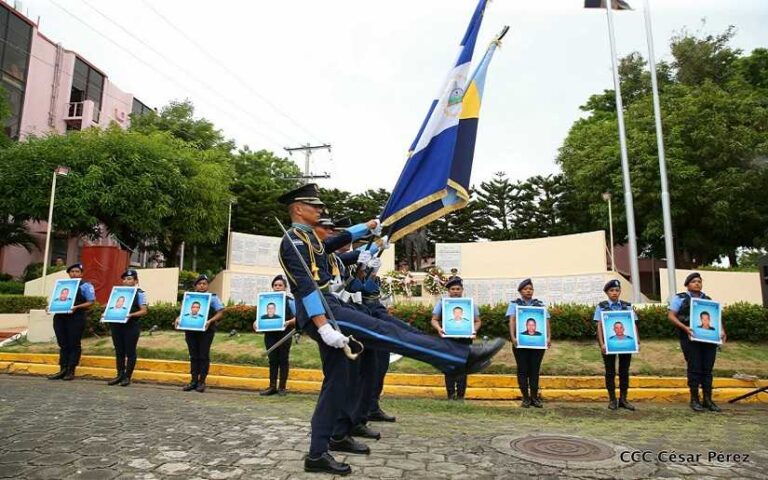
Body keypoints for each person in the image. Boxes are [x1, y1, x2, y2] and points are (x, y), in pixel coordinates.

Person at [277, 184, 505, 476]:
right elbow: (304, 285)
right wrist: (323, 327)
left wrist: (371, 227)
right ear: (298, 208)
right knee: (385, 333)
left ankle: (317, 453)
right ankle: (456, 359)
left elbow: (341, 240)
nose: (322, 211)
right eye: (315, 207)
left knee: (336, 384)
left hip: (329, 307)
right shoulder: (293, 240)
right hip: (325, 312)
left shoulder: (311, 239)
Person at [668, 272, 727, 413]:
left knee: (707, 369)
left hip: (708, 340)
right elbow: (671, 316)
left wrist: (722, 331)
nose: (697, 283)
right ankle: (694, 399)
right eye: (694, 281)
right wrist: (685, 328)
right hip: (689, 338)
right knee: (694, 368)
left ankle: (708, 399)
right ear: (687, 284)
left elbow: (716, 318)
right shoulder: (680, 298)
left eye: (699, 281)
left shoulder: (707, 299)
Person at [430, 276, 481, 401]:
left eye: (458, 289)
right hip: (448, 339)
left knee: (462, 367)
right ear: (449, 291)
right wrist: (439, 329)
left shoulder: (469, 304)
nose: (455, 291)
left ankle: (461, 396)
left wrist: (474, 330)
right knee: (449, 366)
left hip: (465, 340)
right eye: (452, 289)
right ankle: (450, 395)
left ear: (462, 290)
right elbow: (434, 319)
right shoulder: (443, 303)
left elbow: (477, 321)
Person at [175, 274, 225, 393]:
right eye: (199, 284)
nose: (202, 286)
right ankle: (193, 381)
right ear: (195, 285)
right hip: (191, 330)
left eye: (204, 284)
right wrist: (178, 318)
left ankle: (202, 382)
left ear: (207, 285)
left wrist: (210, 321)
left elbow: (220, 312)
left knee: (203, 355)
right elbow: (184, 312)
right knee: (193, 356)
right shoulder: (189, 298)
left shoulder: (212, 298)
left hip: (206, 331)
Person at [593, 279, 637, 411]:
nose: (614, 293)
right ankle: (612, 399)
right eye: (611, 290)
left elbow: (633, 325)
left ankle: (623, 399)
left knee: (624, 371)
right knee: (610, 371)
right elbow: (599, 326)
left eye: (617, 290)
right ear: (607, 292)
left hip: (625, 344)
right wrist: (602, 344)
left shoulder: (627, 306)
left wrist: (637, 341)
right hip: (609, 344)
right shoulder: (602, 307)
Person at [47, 263, 95, 381]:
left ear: (81, 274)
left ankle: (71, 370)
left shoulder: (85, 286)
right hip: (60, 317)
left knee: (74, 344)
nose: (74, 274)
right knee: (63, 344)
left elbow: (91, 301)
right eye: (72, 272)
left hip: (76, 317)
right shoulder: (62, 285)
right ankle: (62, 369)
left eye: (77, 272)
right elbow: (56, 299)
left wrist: (77, 307)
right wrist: (49, 307)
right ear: (68, 273)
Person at [507, 278, 550, 408]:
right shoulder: (514, 304)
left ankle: (535, 398)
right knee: (522, 370)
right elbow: (512, 321)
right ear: (520, 291)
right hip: (520, 343)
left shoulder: (539, 305)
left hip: (537, 344)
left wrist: (548, 337)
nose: (528, 291)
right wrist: (513, 337)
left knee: (534, 370)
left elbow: (546, 321)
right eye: (525, 289)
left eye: (530, 289)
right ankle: (525, 398)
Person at [255, 275, 296, 396]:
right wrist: (256, 323)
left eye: (280, 285)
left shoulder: (290, 301)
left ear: (285, 287)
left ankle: (282, 387)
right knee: (272, 360)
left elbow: (298, 317)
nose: (277, 287)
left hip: (285, 334)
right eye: (275, 285)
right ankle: (272, 387)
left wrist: (288, 322)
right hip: (270, 334)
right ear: (272, 287)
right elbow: (259, 317)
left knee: (283, 360)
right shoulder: (266, 300)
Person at [106, 269, 148, 387]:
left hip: (131, 325)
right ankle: (119, 375)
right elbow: (112, 306)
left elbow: (144, 311)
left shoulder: (140, 293)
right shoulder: (117, 293)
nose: (126, 281)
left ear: (136, 281)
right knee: (119, 351)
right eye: (124, 279)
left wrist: (131, 315)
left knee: (130, 351)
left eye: (129, 279)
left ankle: (127, 377)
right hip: (116, 325)